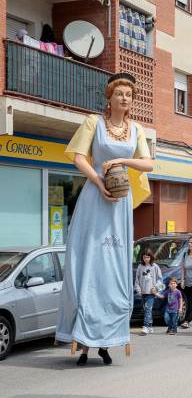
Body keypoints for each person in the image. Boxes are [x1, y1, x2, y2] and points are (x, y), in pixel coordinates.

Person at [55, 72, 154, 366]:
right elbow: (77, 156)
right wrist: (99, 182)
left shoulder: (136, 129)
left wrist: (122, 161)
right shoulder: (93, 123)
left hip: (120, 203)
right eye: (120, 93)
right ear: (109, 97)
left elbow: (148, 163)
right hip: (94, 198)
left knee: (114, 268)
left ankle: (108, 340)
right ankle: (83, 341)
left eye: (129, 94)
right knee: (87, 266)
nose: (125, 98)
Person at [134, 248, 163, 336]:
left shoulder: (155, 266)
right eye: (144, 257)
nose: (146, 259)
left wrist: (156, 288)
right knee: (146, 309)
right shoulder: (140, 267)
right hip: (143, 292)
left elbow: (160, 279)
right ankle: (150, 326)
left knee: (147, 309)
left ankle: (145, 327)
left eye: (148, 257)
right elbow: (137, 280)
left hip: (151, 293)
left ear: (151, 257)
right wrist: (139, 290)